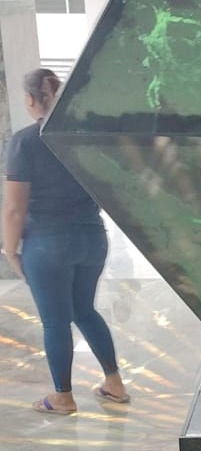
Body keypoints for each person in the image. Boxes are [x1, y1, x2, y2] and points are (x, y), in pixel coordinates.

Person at [2, 67, 129, 414]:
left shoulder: (26, 141)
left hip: (48, 244)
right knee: (84, 310)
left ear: (31, 99)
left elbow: (14, 208)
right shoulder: (83, 138)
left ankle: (63, 397)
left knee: (56, 321)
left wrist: (10, 251)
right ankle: (114, 383)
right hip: (92, 238)